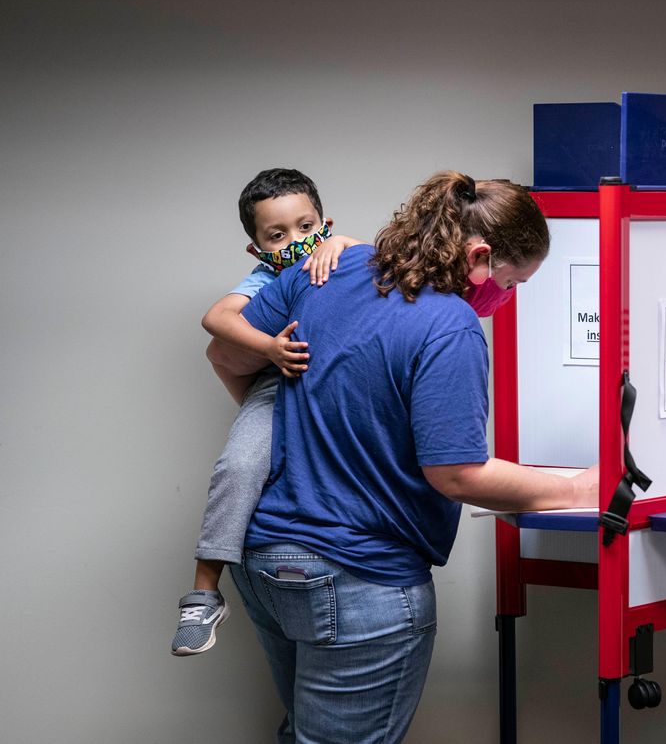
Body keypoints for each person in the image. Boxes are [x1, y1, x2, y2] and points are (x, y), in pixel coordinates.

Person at [212, 171, 598, 743]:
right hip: (357, 576)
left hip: (266, 561)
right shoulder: (451, 326)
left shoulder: (330, 267)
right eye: (512, 281)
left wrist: (301, 423)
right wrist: (576, 489)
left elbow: (226, 353)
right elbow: (457, 473)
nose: (507, 297)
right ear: (481, 255)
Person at [172, 168, 360, 656]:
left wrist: (339, 243)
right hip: (276, 385)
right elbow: (215, 320)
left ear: (325, 223)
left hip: (335, 388)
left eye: (306, 227)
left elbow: (370, 256)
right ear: (257, 249)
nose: (296, 241)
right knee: (238, 466)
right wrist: (271, 349)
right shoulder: (261, 278)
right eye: (278, 235)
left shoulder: (341, 251)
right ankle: (204, 593)